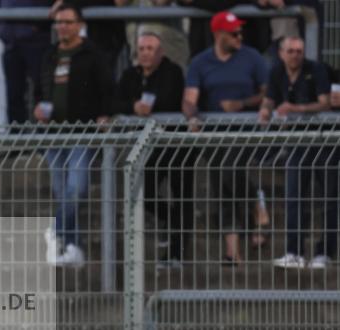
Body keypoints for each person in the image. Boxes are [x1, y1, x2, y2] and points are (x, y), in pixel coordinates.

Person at [182, 10, 269, 265]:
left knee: (229, 169)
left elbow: (267, 93)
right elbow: (189, 98)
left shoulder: (251, 57)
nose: (239, 36)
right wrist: (192, 117)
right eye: (234, 33)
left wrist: (241, 104)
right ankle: (233, 252)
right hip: (214, 133)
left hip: (244, 130)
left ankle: (256, 203)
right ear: (219, 35)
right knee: (220, 187)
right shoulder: (201, 62)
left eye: (240, 32)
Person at [33, 2, 113, 267]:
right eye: (59, 22)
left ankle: (56, 233)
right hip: (53, 134)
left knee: (75, 189)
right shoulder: (49, 54)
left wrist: (104, 114)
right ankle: (72, 246)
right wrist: (37, 110)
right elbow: (39, 89)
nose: (62, 27)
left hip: (81, 132)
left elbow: (106, 89)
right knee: (61, 190)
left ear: (80, 25)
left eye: (67, 22)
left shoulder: (93, 54)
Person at [116, 31, 193, 268]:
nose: (146, 53)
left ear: (161, 53)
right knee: (145, 191)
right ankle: (171, 223)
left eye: (151, 49)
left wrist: (148, 108)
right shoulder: (130, 75)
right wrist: (132, 106)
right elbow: (115, 100)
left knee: (182, 196)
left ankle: (177, 253)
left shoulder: (173, 72)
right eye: (142, 49)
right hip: (151, 145)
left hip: (177, 143)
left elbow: (170, 98)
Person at [258, 36, 332, 269]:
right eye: (290, 51)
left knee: (329, 198)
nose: (295, 55)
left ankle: (325, 253)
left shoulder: (316, 70)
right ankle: (294, 251)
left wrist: (294, 109)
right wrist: (265, 109)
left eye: (299, 51)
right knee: (294, 196)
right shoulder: (277, 72)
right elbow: (270, 98)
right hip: (296, 141)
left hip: (324, 141)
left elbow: (324, 103)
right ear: (281, 53)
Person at [0, 0, 50, 124]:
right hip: (11, 43)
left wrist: (38, 25)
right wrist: (1, 28)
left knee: (42, 90)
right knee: (13, 94)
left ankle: (45, 137)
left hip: (37, 41)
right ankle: (17, 138)